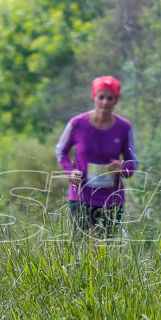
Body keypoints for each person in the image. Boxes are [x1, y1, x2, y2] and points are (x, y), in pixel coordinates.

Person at [55, 76, 137, 238]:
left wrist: (123, 168)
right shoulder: (77, 124)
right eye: (101, 97)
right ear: (94, 97)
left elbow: (132, 162)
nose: (105, 102)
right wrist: (70, 172)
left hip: (111, 199)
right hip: (81, 195)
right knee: (78, 242)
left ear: (116, 101)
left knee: (107, 246)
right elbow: (60, 150)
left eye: (110, 98)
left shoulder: (124, 127)